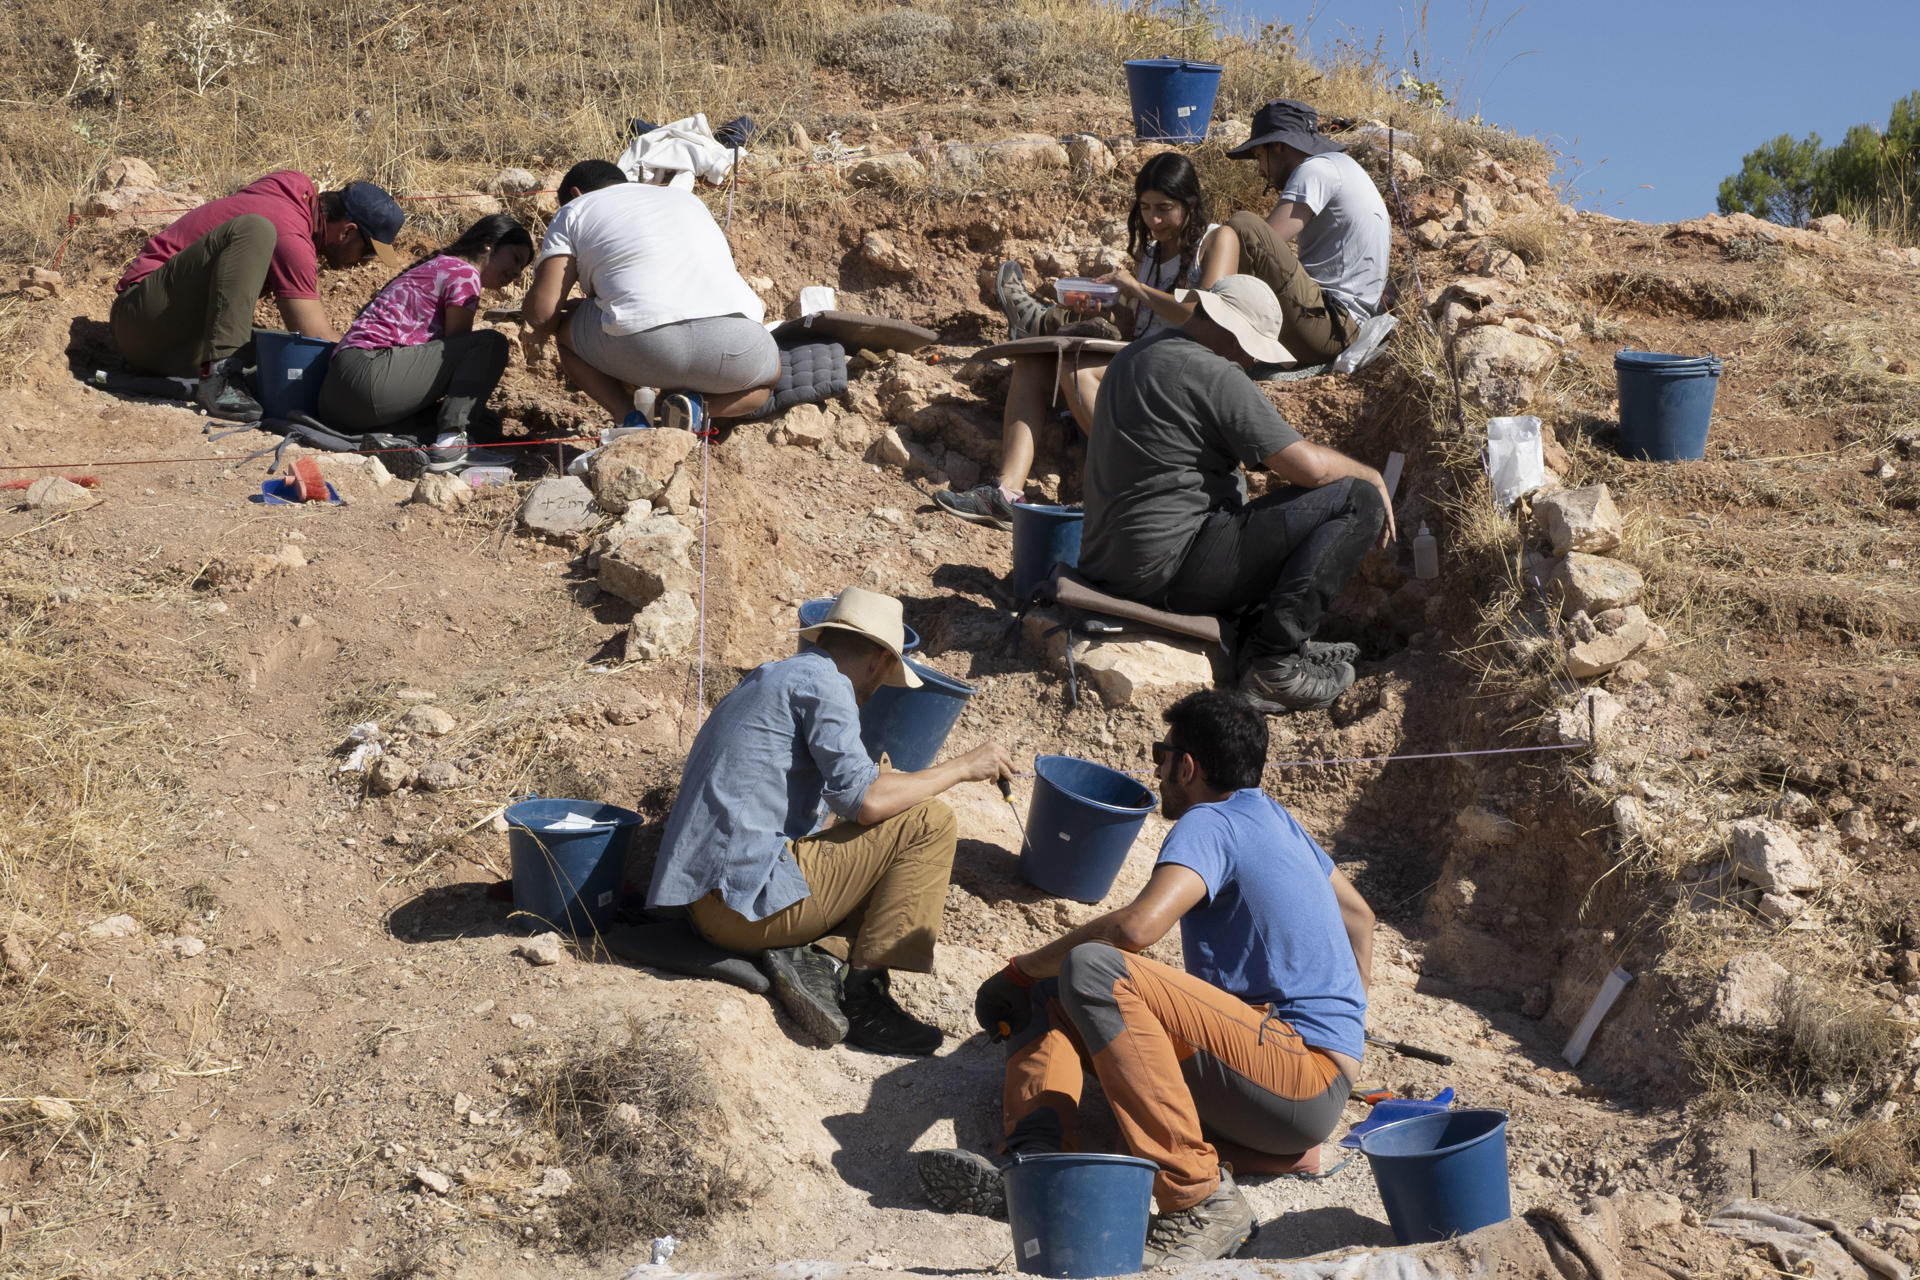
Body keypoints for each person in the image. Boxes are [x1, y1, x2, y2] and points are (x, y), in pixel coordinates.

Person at [916, 690, 1375, 1267]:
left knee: (1089, 967)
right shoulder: (1279, 819)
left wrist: (1020, 968)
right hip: (1302, 1094)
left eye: (1163, 755)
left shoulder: (1211, 820)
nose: (1157, 768)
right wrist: (1347, 1040)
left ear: (1188, 766)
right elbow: (1361, 918)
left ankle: (1198, 1200)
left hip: (1291, 1074)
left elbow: (1137, 929)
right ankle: (1037, 1166)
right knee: (1061, 993)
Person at [647, 587, 1015, 1057]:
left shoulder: (776, 675)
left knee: (893, 791)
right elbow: (865, 803)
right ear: (881, 659)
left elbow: (841, 796)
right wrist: (962, 768)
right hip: (739, 912)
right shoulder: (828, 685)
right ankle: (862, 993)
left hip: (704, 899)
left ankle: (823, 955)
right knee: (930, 821)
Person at [1077, 274, 1392, 713]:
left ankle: (1254, 638)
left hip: (1108, 566)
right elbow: (1310, 469)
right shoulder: (1211, 370)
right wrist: (1371, 474)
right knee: (1357, 498)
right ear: (1232, 332)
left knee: (1236, 503)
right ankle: (1275, 664)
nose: (1248, 361)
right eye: (1250, 347)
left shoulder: (1133, 357)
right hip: (1167, 573)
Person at [935, 153, 1223, 531]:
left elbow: (1206, 317)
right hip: (1143, 359)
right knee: (1034, 360)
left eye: (1164, 209)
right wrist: (1104, 305)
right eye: (1146, 208)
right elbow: (1144, 322)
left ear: (1190, 203)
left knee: (1075, 365)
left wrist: (1135, 287)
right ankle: (1006, 493)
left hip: (1186, 369)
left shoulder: (1216, 239)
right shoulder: (1153, 254)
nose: (1153, 220)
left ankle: (1137, 482)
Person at [112, 172, 405, 422]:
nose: (363, 263)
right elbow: (314, 334)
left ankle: (214, 369)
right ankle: (219, 378)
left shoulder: (293, 189)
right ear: (347, 233)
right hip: (142, 318)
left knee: (274, 353)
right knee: (256, 229)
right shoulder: (290, 235)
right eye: (367, 253)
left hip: (165, 329)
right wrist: (375, 360)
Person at [520, 159, 779, 437]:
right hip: (737, 344)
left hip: (647, 343)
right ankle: (695, 408)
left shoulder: (575, 208)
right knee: (764, 385)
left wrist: (567, 314)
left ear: (575, 193)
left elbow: (541, 314)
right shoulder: (685, 198)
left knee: (567, 328)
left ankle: (630, 418)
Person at [317, 214, 533, 471]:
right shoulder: (464, 274)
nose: (518, 273)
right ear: (489, 243)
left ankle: (394, 441)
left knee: (485, 423)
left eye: (524, 267)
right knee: (489, 343)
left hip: (335, 400)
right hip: (371, 374)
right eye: (516, 259)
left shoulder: (438, 266)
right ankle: (450, 448)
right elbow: (458, 352)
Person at [1203, 99, 1390, 363]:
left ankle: (1203, 332)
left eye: (1259, 157)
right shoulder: (1341, 167)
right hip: (1341, 324)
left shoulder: (1314, 170)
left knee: (1241, 227)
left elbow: (1257, 239)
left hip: (1332, 326)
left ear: (1278, 145)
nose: (1260, 171)